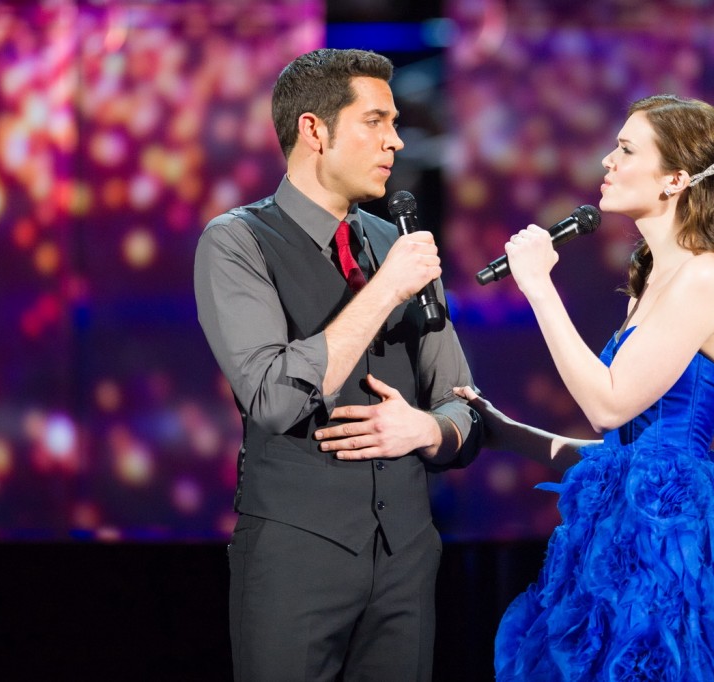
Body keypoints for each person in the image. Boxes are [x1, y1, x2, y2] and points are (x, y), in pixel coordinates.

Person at [454, 95, 714, 680]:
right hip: (620, 535)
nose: (607, 160)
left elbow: (608, 404)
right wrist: (505, 431)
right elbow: (624, 455)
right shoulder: (655, 281)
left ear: (676, 179)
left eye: (625, 149)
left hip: (670, 547)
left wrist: (539, 288)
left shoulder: (706, 277)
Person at [193, 48, 482, 681]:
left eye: (395, 123)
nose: (396, 141)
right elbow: (273, 399)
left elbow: (464, 403)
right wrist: (385, 291)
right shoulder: (237, 242)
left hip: (406, 561)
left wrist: (429, 429)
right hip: (296, 561)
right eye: (375, 121)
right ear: (314, 131)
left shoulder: (396, 244)